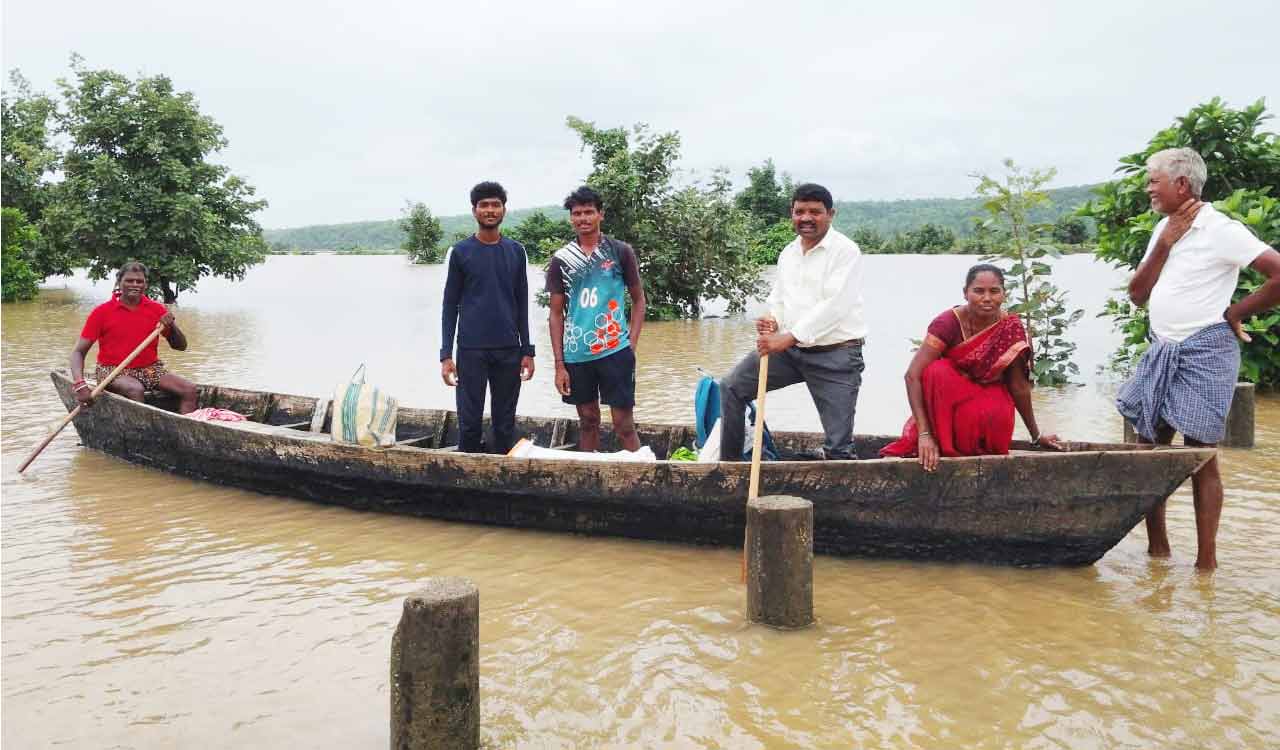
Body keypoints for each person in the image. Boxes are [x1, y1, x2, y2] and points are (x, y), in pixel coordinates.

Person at [1116, 147, 1280, 570]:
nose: (1148, 187)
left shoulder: (1221, 229)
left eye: (1154, 180)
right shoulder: (1163, 229)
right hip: (1162, 349)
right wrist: (1164, 245)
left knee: (1201, 453)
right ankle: (1159, 553)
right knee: (1151, 447)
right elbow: (1136, 295)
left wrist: (1237, 312)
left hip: (1206, 351)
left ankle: (1206, 564)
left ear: (1182, 184)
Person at [719, 183, 866, 461]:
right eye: (800, 211)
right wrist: (772, 319)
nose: (806, 218)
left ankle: (834, 458)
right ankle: (729, 466)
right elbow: (780, 299)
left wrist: (786, 337)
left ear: (830, 214)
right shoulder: (788, 253)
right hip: (790, 353)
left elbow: (834, 307)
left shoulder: (846, 251)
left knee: (839, 450)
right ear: (792, 214)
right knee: (730, 387)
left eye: (815, 212)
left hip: (836, 355)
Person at [880, 264, 1061, 469]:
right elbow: (912, 376)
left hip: (988, 398)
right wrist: (924, 434)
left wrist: (1036, 436)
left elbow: (1018, 386)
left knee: (992, 412)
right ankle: (943, 446)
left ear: (1004, 294)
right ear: (965, 293)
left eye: (994, 291)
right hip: (950, 403)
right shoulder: (947, 323)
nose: (987, 298)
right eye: (978, 291)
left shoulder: (1011, 327)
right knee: (936, 372)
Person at [547, 186, 646, 452]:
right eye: (577, 213)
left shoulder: (620, 252)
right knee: (588, 420)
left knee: (623, 423)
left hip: (615, 348)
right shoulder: (562, 260)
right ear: (571, 218)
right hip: (577, 353)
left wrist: (630, 345)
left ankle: (639, 478)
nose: (583, 218)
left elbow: (639, 301)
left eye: (589, 212)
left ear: (600, 214)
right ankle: (588, 477)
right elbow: (555, 314)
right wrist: (559, 364)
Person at [440, 181, 536, 454]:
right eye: (484, 205)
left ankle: (501, 483)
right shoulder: (461, 252)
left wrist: (527, 350)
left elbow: (522, 302)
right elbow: (450, 305)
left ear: (504, 210)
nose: (490, 210)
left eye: (496, 205)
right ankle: (466, 483)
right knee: (469, 424)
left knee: (504, 424)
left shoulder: (516, 251)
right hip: (471, 350)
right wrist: (446, 355)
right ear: (474, 211)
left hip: (509, 349)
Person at [69, 261, 198, 413]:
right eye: (129, 281)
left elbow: (181, 346)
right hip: (112, 370)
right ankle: (143, 430)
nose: (135, 285)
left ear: (145, 285)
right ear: (119, 282)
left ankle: (185, 430)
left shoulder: (156, 309)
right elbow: (78, 352)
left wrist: (171, 325)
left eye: (139, 281)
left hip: (150, 369)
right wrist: (80, 384)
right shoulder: (102, 312)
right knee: (135, 389)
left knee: (190, 390)